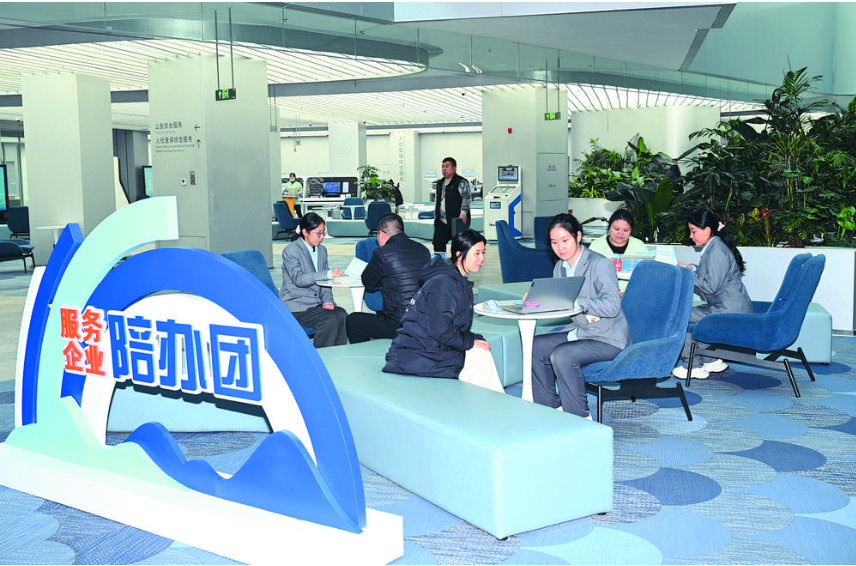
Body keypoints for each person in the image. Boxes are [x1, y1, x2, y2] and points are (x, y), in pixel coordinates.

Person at [531, 213, 631, 418]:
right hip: (582, 331)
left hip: (608, 338)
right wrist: (539, 300)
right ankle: (550, 409)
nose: (560, 247)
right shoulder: (560, 267)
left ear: (578, 236)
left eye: (565, 240)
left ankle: (579, 418)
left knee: (562, 355)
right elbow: (562, 305)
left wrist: (577, 302)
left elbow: (613, 306)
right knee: (535, 347)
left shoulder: (599, 264)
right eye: (554, 242)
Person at [383, 229, 503, 393]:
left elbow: (447, 325)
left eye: (483, 252)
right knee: (480, 355)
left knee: (480, 347)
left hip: (429, 346)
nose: (481, 258)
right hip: (418, 353)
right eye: (477, 253)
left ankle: (483, 401)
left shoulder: (453, 278)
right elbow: (440, 330)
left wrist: (471, 339)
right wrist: (469, 342)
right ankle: (486, 403)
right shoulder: (444, 283)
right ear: (459, 254)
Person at [672, 209, 753, 379]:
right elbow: (711, 274)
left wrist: (687, 274)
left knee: (678, 316)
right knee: (684, 314)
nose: (691, 236)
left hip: (728, 312)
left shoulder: (717, 251)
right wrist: (692, 268)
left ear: (707, 229)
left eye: (693, 231)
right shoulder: (715, 247)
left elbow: (710, 287)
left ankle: (693, 365)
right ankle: (709, 359)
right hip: (727, 307)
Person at [345, 213, 431, 343]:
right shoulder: (423, 250)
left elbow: (368, 282)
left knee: (353, 320)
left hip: (400, 323)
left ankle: (363, 352)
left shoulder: (382, 253)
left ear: (381, 233)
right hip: (423, 320)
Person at [280, 212, 347, 348]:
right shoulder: (291, 251)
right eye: (318, 233)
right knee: (329, 319)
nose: (321, 237)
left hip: (316, 304)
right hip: (297, 306)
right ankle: (323, 355)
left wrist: (327, 300)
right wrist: (327, 273)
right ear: (305, 232)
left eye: (323, 233)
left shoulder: (322, 251)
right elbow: (299, 279)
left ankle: (338, 352)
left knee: (342, 314)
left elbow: (325, 282)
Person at [432, 157, 471, 253]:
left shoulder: (461, 182)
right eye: (443, 167)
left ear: (454, 168)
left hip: (457, 219)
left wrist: (463, 212)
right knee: (438, 243)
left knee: (458, 245)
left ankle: (458, 262)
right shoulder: (440, 183)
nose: (444, 169)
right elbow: (437, 199)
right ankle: (440, 261)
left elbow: (466, 197)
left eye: (447, 166)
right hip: (441, 220)